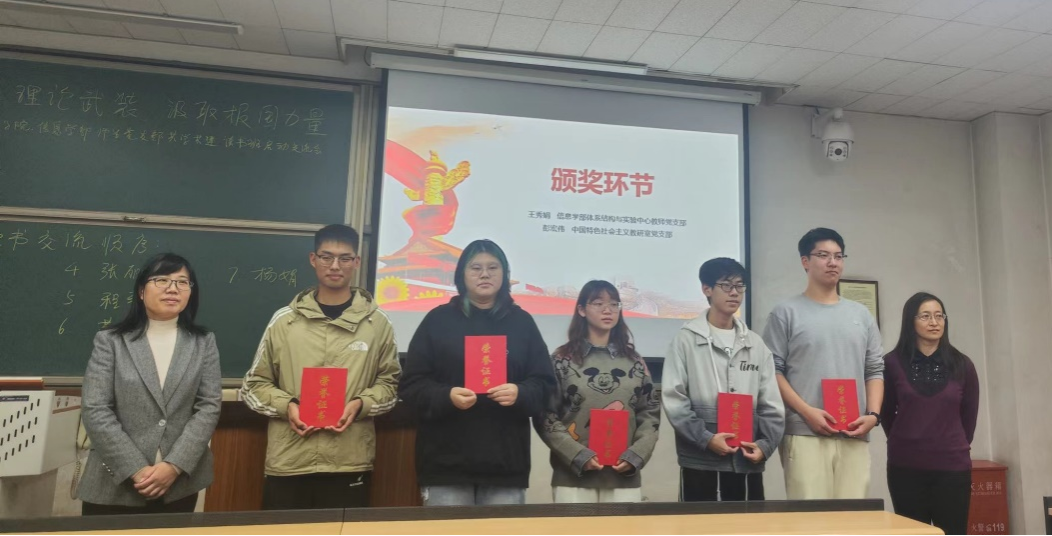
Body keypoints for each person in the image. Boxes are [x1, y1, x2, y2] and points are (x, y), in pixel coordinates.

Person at [241, 224, 400, 510]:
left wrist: (361, 404)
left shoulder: (377, 324)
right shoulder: (284, 321)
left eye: (345, 258)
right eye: (327, 257)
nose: (335, 266)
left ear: (356, 262)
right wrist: (287, 406)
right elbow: (253, 386)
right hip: (289, 460)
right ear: (313, 259)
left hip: (349, 461)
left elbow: (390, 385)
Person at [399, 239, 556, 506]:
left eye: (493, 267)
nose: (485, 274)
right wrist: (446, 396)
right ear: (461, 274)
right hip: (445, 462)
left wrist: (520, 392)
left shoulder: (522, 323)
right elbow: (411, 385)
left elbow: (545, 385)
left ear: (505, 274)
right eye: (476, 268)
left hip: (505, 463)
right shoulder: (438, 320)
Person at [77, 253, 221, 515]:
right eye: (162, 280)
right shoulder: (111, 341)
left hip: (178, 486)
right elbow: (95, 408)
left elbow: (209, 406)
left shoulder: (203, 342)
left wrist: (174, 465)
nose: (173, 288)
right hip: (114, 485)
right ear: (141, 291)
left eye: (182, 282)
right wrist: (135, 469)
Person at [762, 228, 884, 500]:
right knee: (810, 517)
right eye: (824, 255)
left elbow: (874, 369)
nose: (833, 262)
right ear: (805, 261)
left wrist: (873, 416)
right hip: (804, 432)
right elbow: (772, 371)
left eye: (838, 256)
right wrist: (807, 412)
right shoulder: (785, 313)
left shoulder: (861, 315)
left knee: (853, 518)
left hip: (854, 432)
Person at [663, 258, 784, 502]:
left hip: (746, 456)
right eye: (726, 285)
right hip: (700, 459)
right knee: (700, 520)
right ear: (706, 289)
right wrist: (706, 438)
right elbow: (674, 400)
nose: (734, 292)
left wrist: (765, 445)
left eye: (740, 286)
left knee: (747, 521)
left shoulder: (755, 344)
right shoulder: (686, 340)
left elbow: (771, 403)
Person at [539, 280, 661, 504]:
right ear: (581, 310)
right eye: (598, 303)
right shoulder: (561, 359)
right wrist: (577, 455)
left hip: (623, 476)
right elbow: (546, 415)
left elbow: (650, 413)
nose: (608, 310)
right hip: (572, 477)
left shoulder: (634, 361)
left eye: (614, 304)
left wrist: (636, 455)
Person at [882, 293, 979, 535]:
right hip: (905, 467)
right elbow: (886, 413)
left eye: (939, 316)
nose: (934, 322)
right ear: (910, 321)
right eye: (925, 316)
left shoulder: (963, 364)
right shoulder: (891, 363)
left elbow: (969, 418)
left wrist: (949, 444)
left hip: (952, 468)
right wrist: (906, 439)